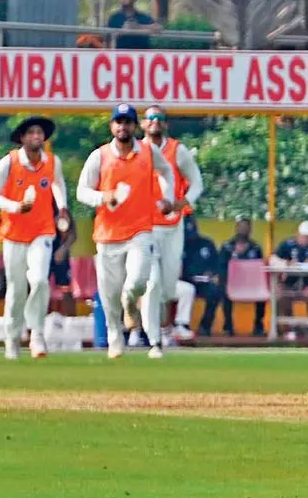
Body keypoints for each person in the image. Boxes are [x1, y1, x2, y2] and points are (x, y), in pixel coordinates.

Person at [76, 103, 175, 359]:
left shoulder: (148, 151)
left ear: (134, 126)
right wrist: (104, 197)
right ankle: (114, 338)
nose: (123, 126)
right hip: (107, 235)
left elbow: (167, 172)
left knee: (138, 281)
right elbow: (82, 192)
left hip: (140, 230)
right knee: (108, 296)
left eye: (128, 122)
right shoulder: (99, 155)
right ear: (112, 126)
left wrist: (167, 197)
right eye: (118, 122)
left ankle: (130, 301)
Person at [0, 116, 70, 359]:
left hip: (43, 231)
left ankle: (37, 334)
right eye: (31, 132)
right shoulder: (9, 162)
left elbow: (58, 185)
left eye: (40, 133)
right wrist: (15, 207)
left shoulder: (52, 162)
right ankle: (12, 340)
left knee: (41, 280)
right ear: (22, 137)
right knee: (17, 289)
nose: (36, 137)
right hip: (14, 234)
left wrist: (62, 207)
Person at [137, 105, 203, 349]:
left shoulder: (177, 150)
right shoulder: (135, 150)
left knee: (166, 287)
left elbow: (196, 182)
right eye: (150, 118)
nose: (155, 121)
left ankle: (162, 330)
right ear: (143, 124)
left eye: (160, 118)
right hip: (144, 227)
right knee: (150, 282)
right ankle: (150, 337)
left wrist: (183, 202)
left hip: (173, 225)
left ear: (166, 124)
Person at [272, 221, 308, 341]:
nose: (306, 240)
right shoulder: (286, 244)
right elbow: (273, 260)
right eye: (304, 236)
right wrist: (286, 264)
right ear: (297, 234)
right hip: (288, 283)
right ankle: (290, 326)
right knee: (279, 293)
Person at [220, 217, 266, 336]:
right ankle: (228, 326)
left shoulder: (256, 248)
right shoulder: (227, 247)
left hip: (252, 284)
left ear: (250, 230)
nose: (243, 230)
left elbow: (261, 268)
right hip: (232, 284)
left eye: (246, 228)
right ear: (236, 228)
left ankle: (258, 325)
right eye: (241, 227)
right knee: (223, 290)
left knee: (263, 293)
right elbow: (221, 267)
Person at [176, 216, 221, 338]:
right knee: (185, 289)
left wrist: (212, 274)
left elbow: (216, 265)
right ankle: (180, 325)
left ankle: (205, 327)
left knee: (215, 292)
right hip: (185, 280)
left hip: (203, 282)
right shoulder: (177, 245)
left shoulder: (207, 243)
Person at [49, 205, 78, 317]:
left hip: (59, 253)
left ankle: (71, 322)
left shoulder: (60, 206)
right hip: (40, 252)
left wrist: (63, 249)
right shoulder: (32, 203)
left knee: (66, 288)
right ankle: (35, 326)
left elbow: (72, 234)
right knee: (37, 287)